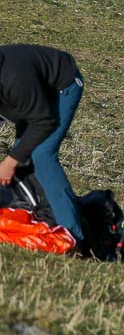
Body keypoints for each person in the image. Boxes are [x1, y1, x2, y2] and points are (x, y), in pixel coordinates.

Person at [0, 44, 86, 246]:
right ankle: (38, 218)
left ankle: (71, 236)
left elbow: (44, 121)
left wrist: (10, 162)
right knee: (24, 155)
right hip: (32, 96)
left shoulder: (14, 79)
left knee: (41, 155)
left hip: (62, 87)